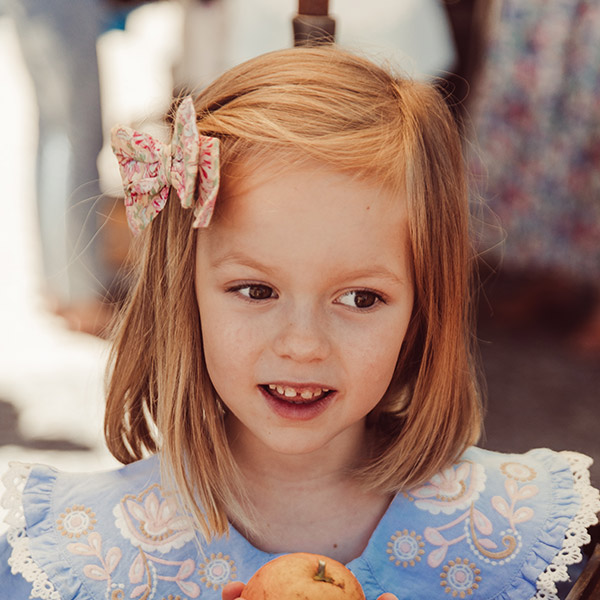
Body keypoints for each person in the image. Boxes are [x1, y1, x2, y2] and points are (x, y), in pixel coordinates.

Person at [1, 47, 598, 600]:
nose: (303, 345)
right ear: (183, 292)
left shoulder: (515, 536)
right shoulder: (85, 555)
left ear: (424, 307)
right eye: (256, 291)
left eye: (360, 298)